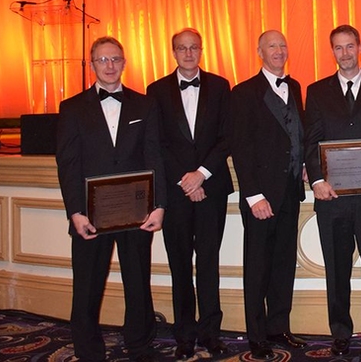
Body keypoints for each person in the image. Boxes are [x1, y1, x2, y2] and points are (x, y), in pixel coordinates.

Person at [56, 36, 167, 362]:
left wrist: (159, 205)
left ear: (124, 62)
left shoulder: (144, 104)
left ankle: (140, 346)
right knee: (88, 287)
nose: (109, 65)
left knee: (138, 283)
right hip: (90, 215)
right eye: (102, 60)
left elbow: (154, 157)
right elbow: (68, 164)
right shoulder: (72, 107)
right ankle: (89, 352)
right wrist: (75, 212)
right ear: (92, 65)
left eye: (115, 59)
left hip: (136, 212)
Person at [304, 25, 361, 357]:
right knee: (336, 271)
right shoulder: (316, 91)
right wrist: (316, 181)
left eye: (350, 46)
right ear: (332, 52)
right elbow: (310, 142)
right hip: (332, 198)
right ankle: (340, 331)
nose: (345, 53)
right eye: (338, 48)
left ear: (360, 47)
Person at [146, 28, 232, 359]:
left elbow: (227, 136)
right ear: (173, 52)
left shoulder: (221, 86)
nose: (188, 53)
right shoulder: (155, 91)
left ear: (202, 50)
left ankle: (211, 332)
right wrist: (187, 181)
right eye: (182, 48)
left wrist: (201, 175)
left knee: (209, 262)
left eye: (194, 47)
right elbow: (157, 143)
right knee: (179, 264)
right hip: (176, 191)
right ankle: (184, 334)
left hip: (212, 187)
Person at [230, 30, 307, 361]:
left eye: (282, 45)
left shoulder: (296, 87)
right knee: (258, 268)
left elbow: (295, 134)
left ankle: (279, 326)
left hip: (290, 191)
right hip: (261, 197)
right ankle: (257, 336)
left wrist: (302, 164)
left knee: (283, 265)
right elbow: (241, 148)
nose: (279, 51)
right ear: (259, 51)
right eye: (272, 46)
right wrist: (253, 195)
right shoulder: (243, 93)